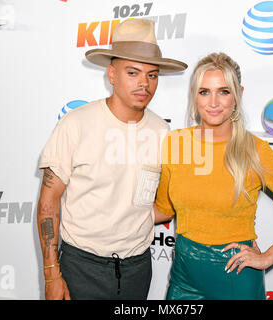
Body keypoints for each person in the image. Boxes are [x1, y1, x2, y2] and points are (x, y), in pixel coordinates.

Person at [36, 18, 187, 300]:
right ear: (112, 74)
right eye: (133, 72)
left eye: (152, 75)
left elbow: (164, 205)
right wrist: (51, 274)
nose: (144, 83)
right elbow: (48, 201)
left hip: (138, 267)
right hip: (79, 266)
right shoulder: (76, 124)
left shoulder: (163, 133)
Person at [154, 52, 273, 300]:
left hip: (236, 276)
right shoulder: (176, 142)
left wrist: (267, 257)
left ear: (238, 94)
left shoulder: (255, 151)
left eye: (223, 91)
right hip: (184, 278)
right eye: (204, 92)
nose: (213, 102)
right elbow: (164, 209)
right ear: (194, 95)